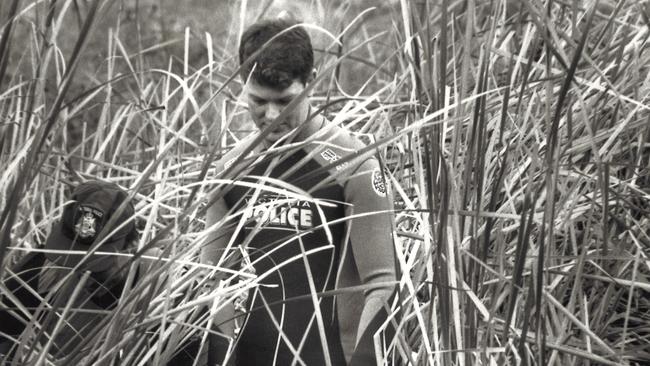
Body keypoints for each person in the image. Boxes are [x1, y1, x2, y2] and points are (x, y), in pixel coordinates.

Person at [202, 17, 398, 366]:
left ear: (312, 80)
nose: (273, 115)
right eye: (259, 101)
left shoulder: (355, 166)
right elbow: (214, 279)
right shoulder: (230, 171)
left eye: (286, 101)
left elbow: (382, 284)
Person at [0, 180, 167, 364]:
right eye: (71, 258)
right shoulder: (37, 271)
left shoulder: (163, 280)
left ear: (132, 246)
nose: (83, 272)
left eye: (97, 265)